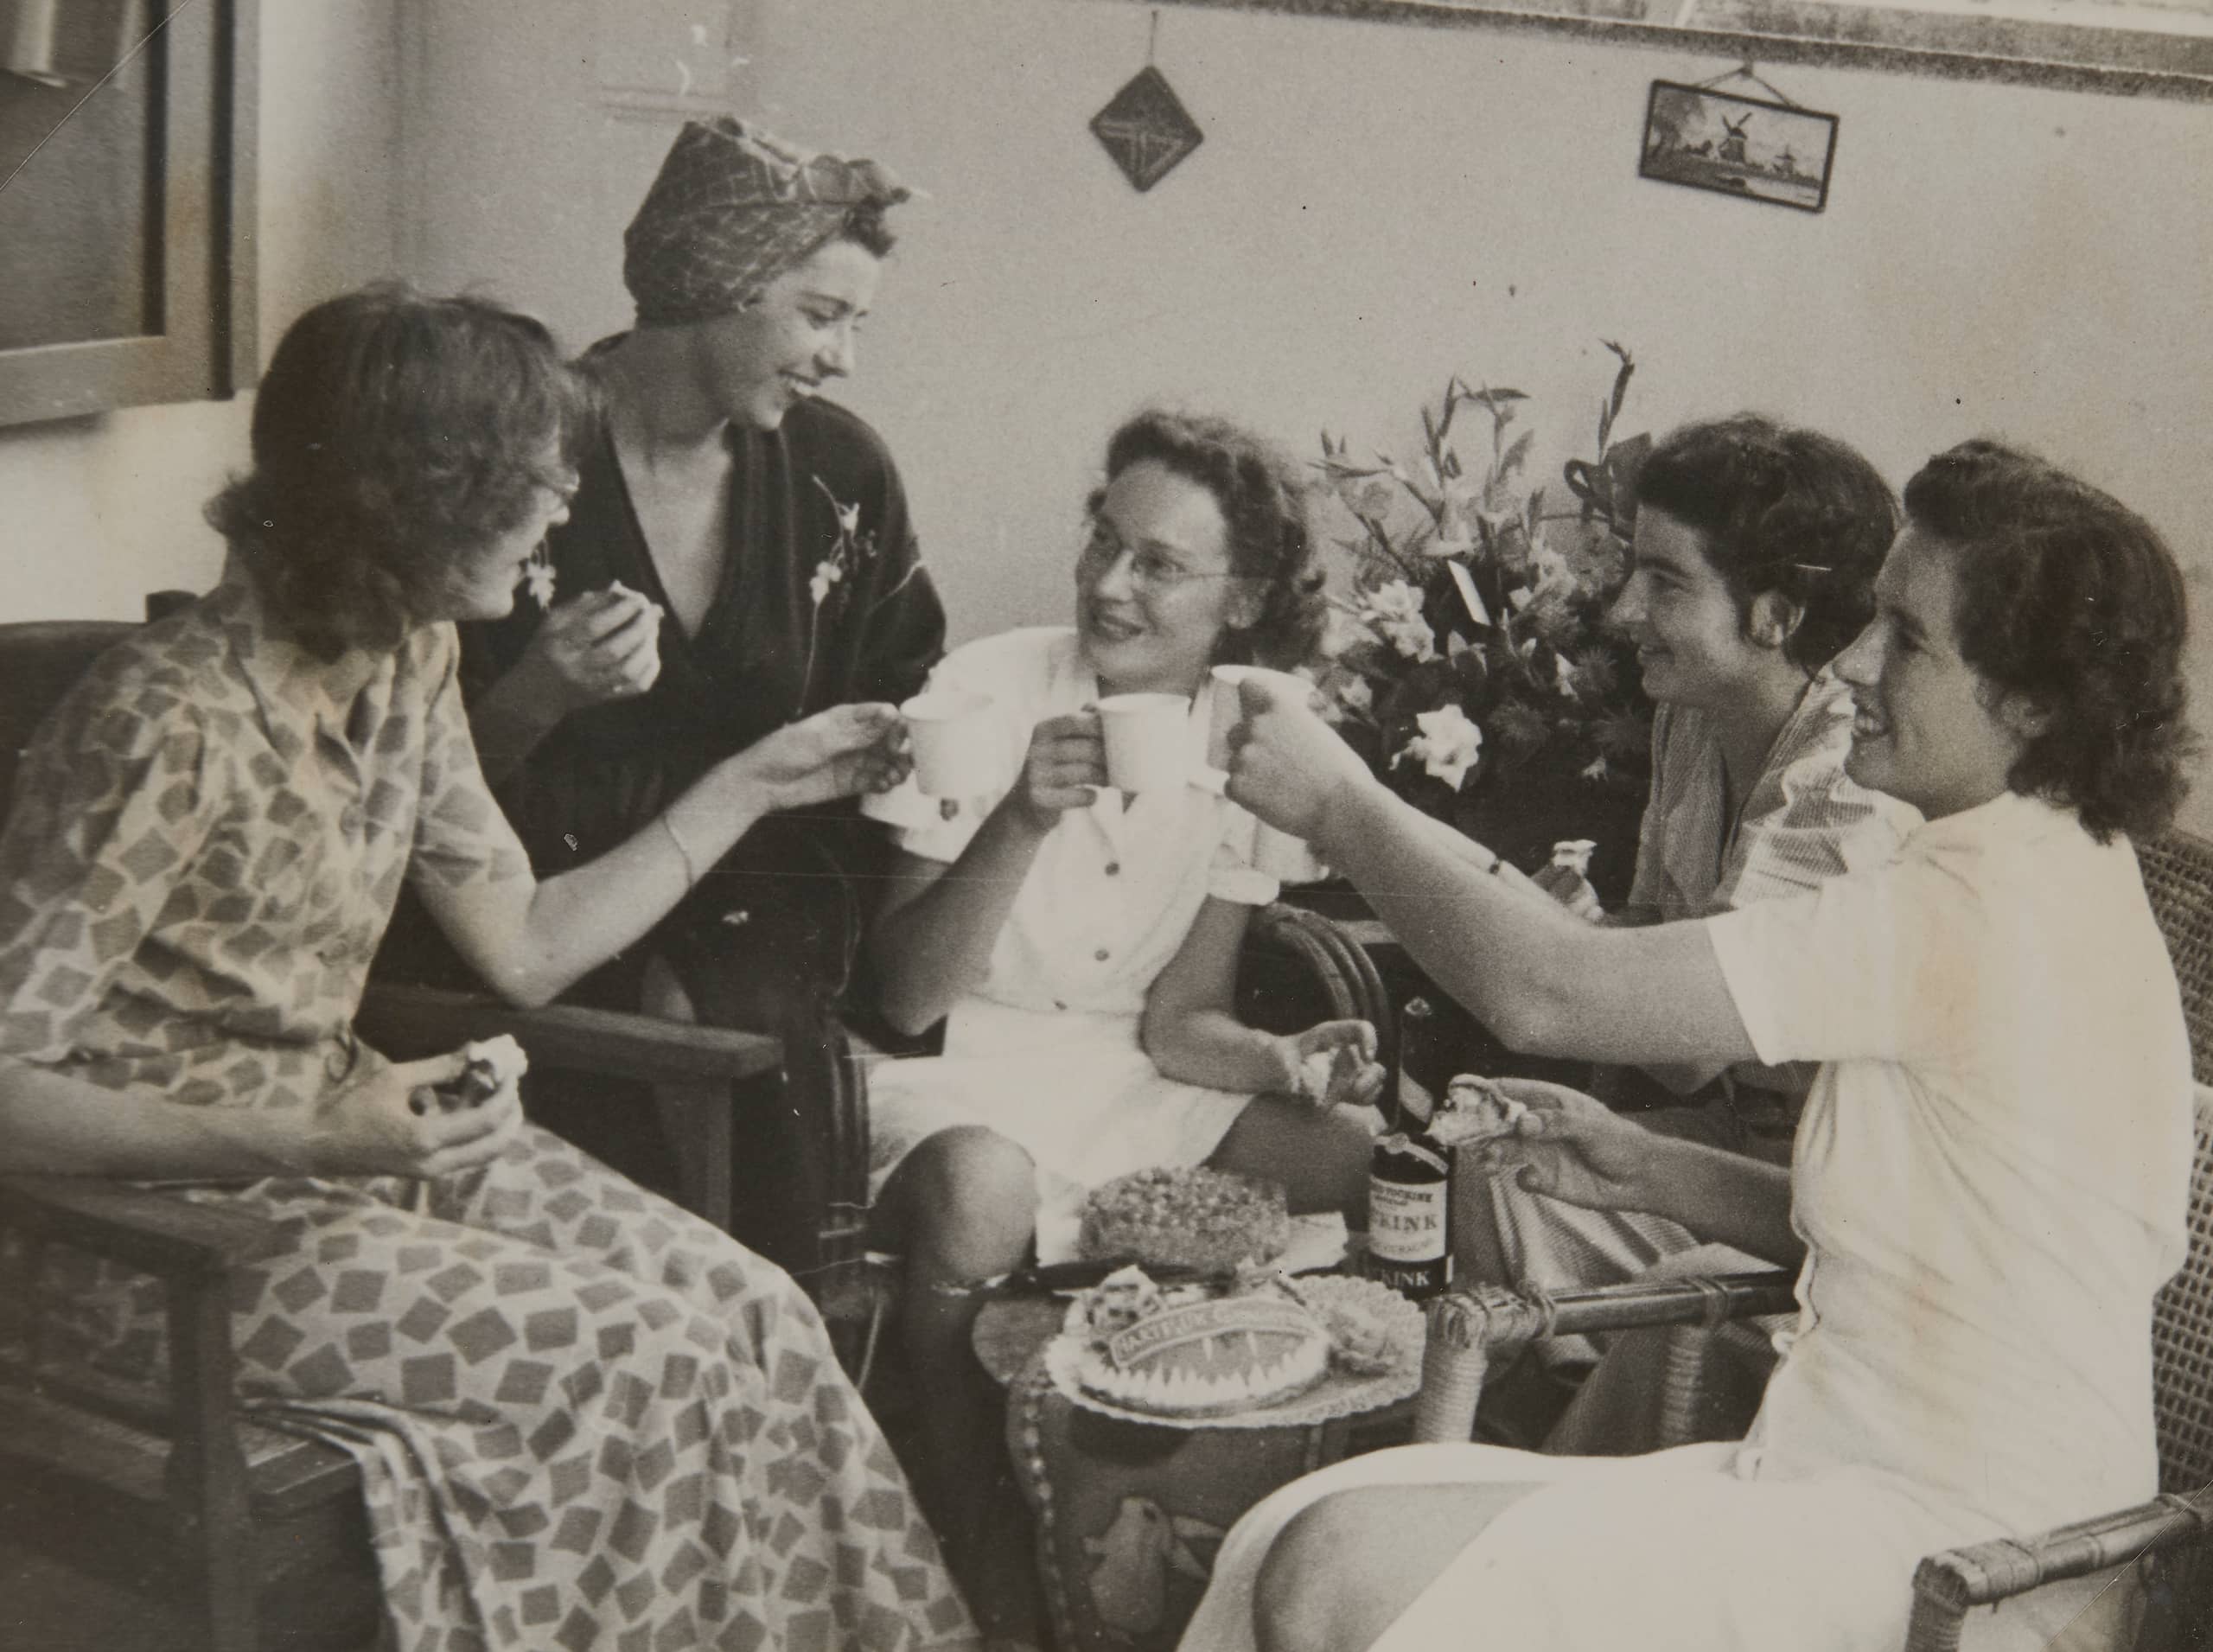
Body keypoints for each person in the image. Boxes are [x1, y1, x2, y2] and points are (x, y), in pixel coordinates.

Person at [0, 287, 980, 1652]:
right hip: (153, 1245)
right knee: (649, 1359)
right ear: (424, 497)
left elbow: (523, 942)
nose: (565, 506)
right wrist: (305, 1135)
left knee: (752, 1309)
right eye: (537, 481)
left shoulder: (409, 659)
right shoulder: (161, 721)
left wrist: (752, 783)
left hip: (336, 1161)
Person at [1180, 439, 2196, 1651]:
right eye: (1870, 618)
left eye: (1908, 638)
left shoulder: (1983, 904)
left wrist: (1338, 802)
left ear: (2030, 700)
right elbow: (1935, 1249)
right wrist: (1647, 1166)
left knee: (1337, 1566)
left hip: (1975, 1565)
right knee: (1305, 1521)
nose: (1856, 660)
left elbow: (1549, 992)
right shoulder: (2037, 864)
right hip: (1844, 1489)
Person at [860, 410, 1387, 1635]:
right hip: (959, 1068)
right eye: (1104, 541)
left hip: (1123, 1071)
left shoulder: (1263, 730)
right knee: (984, 1190)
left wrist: (1283, 1055)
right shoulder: (984, 689)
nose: (1109, 583)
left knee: (1357, 1155)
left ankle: (1263, 1496)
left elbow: (1178, 1023)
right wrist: (1019, 821)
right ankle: (966, 1514)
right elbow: (906, 996)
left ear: (1243, 595)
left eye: (1158, 563)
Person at [393, 117, 942, 1228]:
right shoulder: (521, 457)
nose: (843, 359)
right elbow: (404, 780)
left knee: (718, 1002)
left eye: (854, 323)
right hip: (528, 901)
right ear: (714, 285)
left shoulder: (840, 473)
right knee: (650, 1034)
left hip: (765, 882)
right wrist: (537, 696)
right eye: (821, 316)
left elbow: (908, 695)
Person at [1479, 415, 1920, 1391]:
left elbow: (1685, 1053)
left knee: (1512, 1191)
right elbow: (1667, 975)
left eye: (1665, 581)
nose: (1622, 609)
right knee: (1495, 1169)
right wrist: (1591, 930)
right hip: (1735, 1148)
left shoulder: (1845, 783)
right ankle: (1558, 1406)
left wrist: (1534, 928)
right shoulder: (1694, 716)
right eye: (1633, 570)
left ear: (1776, 613)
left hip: (1831, 1205)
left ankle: (1577, 1420)